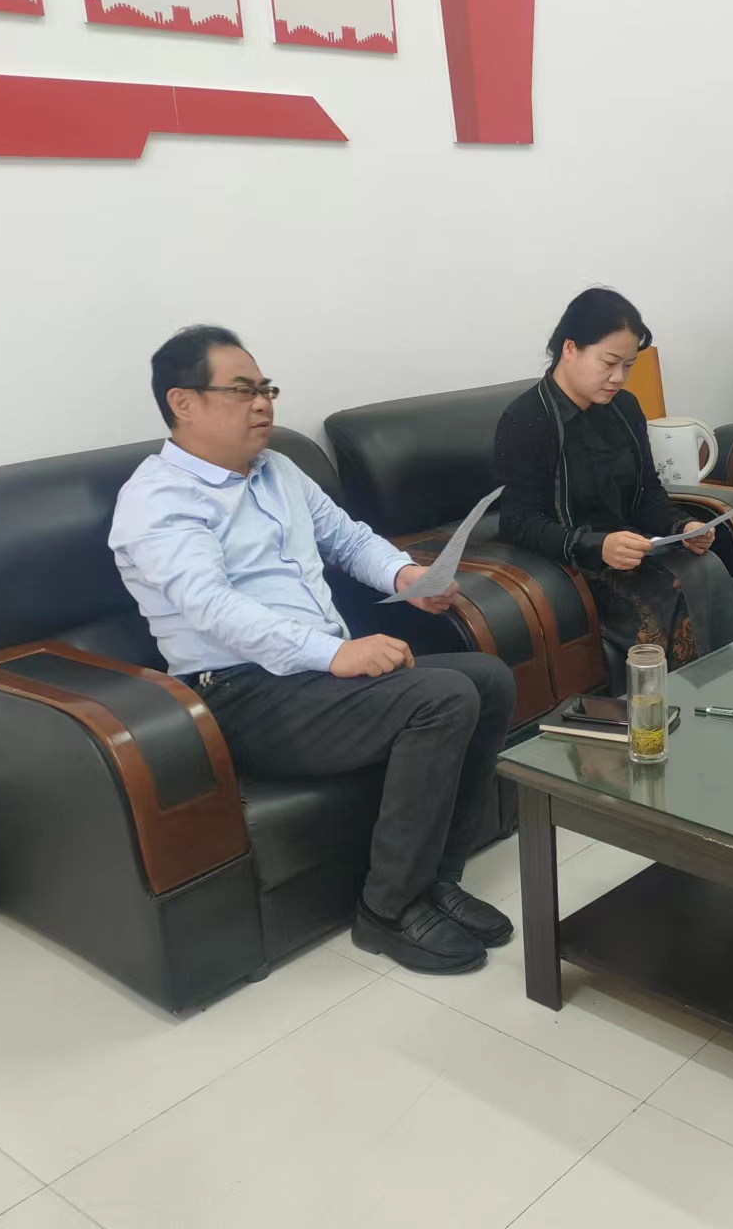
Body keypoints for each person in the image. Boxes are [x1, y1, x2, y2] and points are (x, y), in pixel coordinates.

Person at [110, 325, 517, 975]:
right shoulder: (157, 501)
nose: (262, 404)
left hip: (313, 679)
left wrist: (406, 578)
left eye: (265, 389)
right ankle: (387, 910)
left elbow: (347, 539)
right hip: (238, 695)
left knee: (488, 679)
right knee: (440, 698)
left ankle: (437, 880)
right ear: (182, 402)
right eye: (242, 391)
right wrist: (330, 654)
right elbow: (212, 606)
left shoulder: (277, 470)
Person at [495, 288, 733, 674]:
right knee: (696, 600)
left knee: (727, 585)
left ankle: (730, 699)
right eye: (609, 363)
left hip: (635, 551)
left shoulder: (624, 408)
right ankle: (687, 708)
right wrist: (597, 546)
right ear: (570, 348)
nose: (618, 378)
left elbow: (647, 492)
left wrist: (683, 526)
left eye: (628, 366)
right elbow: (518, 522)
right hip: (575, 564)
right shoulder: (527, 420)